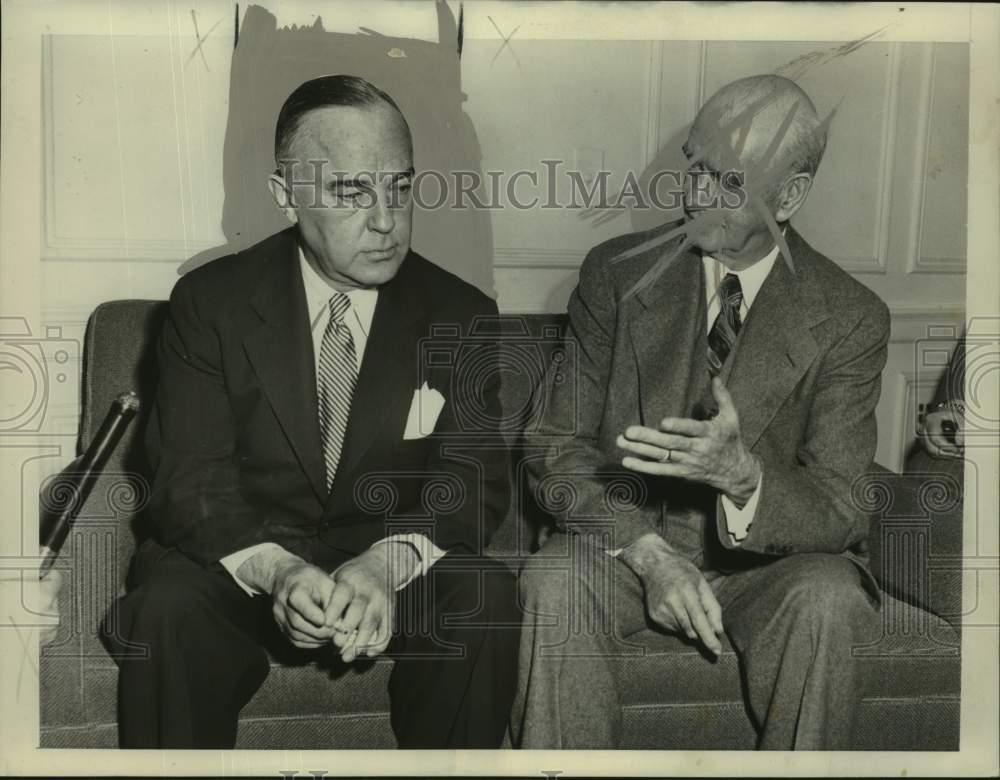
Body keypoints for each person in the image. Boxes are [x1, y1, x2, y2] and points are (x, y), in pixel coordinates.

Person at [108, 75, 519, 749]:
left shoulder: (460, 313)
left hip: (383, 556)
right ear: (285, 195)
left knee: (485, 597)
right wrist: (279, 571)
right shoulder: (210, 303)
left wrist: (385, 566)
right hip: (244, 557)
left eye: (400, 186)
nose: (386, 220)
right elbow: (190, 484)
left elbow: (472, 484)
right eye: (351, 191)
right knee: (167, 607)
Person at [512, 74, 890, 750]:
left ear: (791, 195)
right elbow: (553, 445)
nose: (695, 195)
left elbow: (842, 504)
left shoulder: (851, 317)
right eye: (694, 165)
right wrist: (652, 558)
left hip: (770, 568)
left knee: (829, 601)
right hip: (627, 546)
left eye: (728, 183)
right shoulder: (617, 273)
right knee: (552, 580)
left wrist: (746, 480)